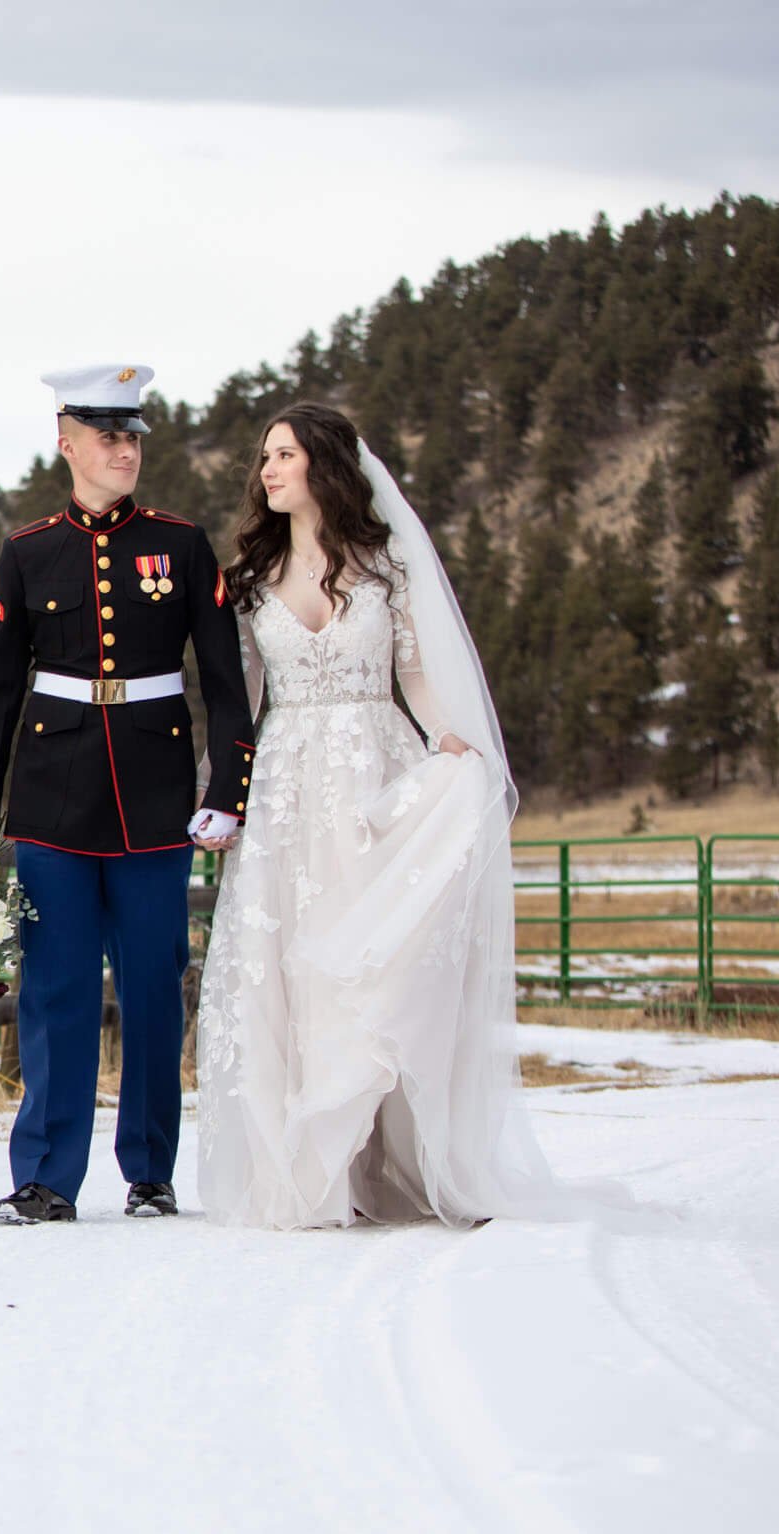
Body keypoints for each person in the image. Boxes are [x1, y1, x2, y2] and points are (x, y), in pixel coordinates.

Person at [194, 402, 560, 1227]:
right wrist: (225, 797)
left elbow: (418, 677)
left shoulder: (385, 567)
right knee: (291, 966)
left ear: (323, 466)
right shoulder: (249, 581)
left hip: (375, 776)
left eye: (284, 455)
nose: (268, 471)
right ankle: (308, 1170)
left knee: (374, 965)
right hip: (289, 787)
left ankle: (393, 1160)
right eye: (265, 458)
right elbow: (241, 703)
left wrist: (451, 744)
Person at [0, 363, 254, 1224]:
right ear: (68, 443)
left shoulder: (183, 543)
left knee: (155, 985)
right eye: (108, 435)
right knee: (54, 986)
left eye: (132, 435)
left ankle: (151, 1168)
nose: (125, 449)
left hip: (158, 796)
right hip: (52, 797)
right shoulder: (26, 551)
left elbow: (227, 682)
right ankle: (47, 1176)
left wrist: (227, 787)